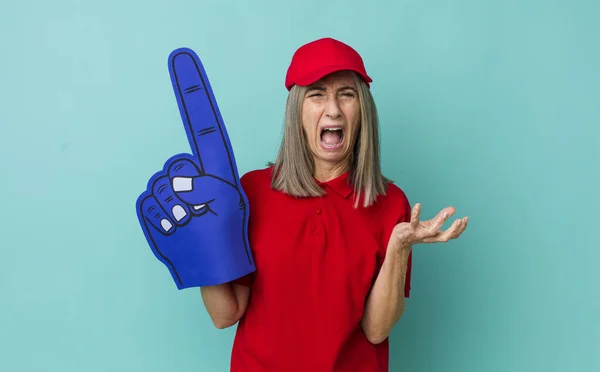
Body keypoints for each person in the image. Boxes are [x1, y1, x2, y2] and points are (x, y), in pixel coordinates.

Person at [199, 37, 469, 372]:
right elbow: (225, 314)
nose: (333, 109)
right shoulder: (251, 192)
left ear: (363, 111)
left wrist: (399, 246)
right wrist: (200, 247)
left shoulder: (390, 204)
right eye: (317, 94)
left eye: (347, 94)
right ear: (297, 110)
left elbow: (376, 329)